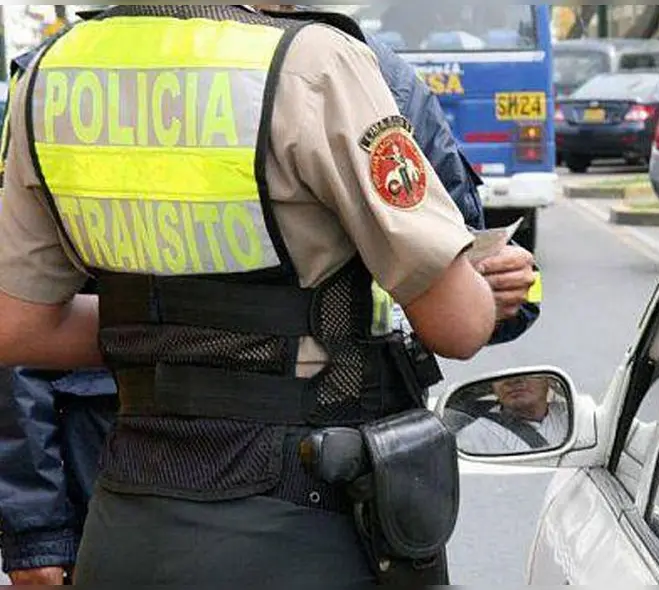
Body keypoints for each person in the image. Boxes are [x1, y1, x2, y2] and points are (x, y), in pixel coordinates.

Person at [0, 6, 543, 584]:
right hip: (303, 521)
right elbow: (457, 327)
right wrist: (481, 288)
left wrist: (170, 333)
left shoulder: (52, 71)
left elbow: (18, 328)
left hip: (128, 524)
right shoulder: (315, 62)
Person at [456, 375, 570, 455]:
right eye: (500, 375)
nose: (514, 381)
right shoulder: (473, 436)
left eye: (528, 371)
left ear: (548, 380)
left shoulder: (569, 416)